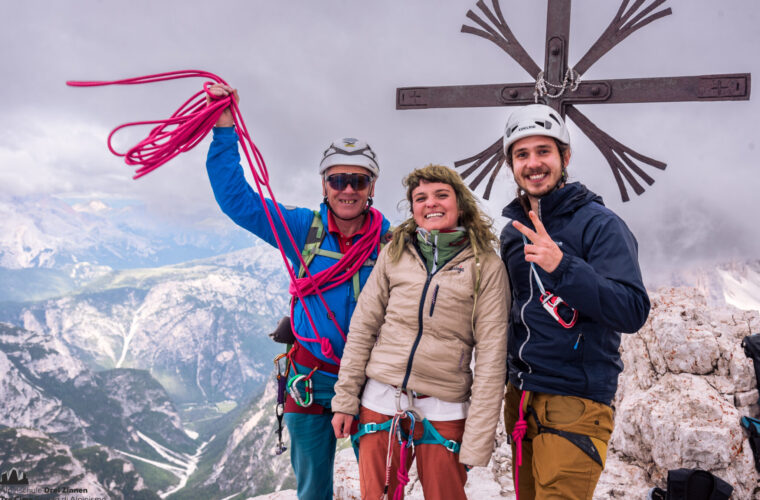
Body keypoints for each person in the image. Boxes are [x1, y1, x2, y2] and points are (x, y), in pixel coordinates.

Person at [205, 84, 392, 500]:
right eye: (338, 180)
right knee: (312, 492)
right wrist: (223, 129)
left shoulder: (391, 244)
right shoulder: (301, 229)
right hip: (310, 379)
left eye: (357, 181)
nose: (348, 189)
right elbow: (237, 201)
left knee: (377, 488)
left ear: (372, 186)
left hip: (371, 380)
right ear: (324, 185)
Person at [499, 104, 651, 500]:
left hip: (575, 402)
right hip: (521, 398)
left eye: (543, 151)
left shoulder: (601, 224)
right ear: (511, 165)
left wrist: (563, 266)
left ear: (565, 157)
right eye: (522, 154)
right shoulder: (514, 234)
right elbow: (514, 313)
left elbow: (632, 309)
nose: (533, 163)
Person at [331, 165, 509, 500]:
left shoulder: (486, 265)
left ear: (460, 203)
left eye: (442, 195)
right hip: (382, 399)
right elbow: (363, 328)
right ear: (412, 208)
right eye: (420, 198)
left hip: (445, 403)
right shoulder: (395, 252)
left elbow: (491, 354)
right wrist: (345, 400)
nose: (431, 204)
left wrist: (478, 438)